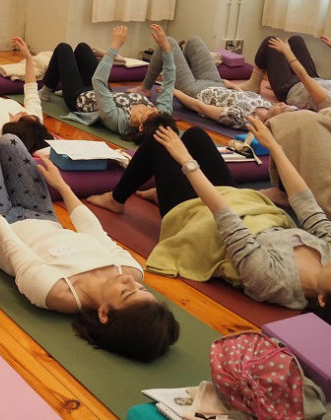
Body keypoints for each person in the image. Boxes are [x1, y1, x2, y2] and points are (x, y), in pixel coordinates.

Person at [0, 133, 179, 362]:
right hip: (42, 215)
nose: (132, 283)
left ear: (104, 312)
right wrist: (62, 186)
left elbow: (13, 247)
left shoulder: (59, 294)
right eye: (142, 290)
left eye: (127, 293)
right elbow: (93, 230)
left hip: (0, 228)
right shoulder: (131, 271)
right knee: (10, 141)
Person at [129, 118, 331, 318]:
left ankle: (117, 199)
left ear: (322, 300)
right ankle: (158, 192)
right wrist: (274, 147)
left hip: (202, 220)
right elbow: (306, 204)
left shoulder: (275, 282)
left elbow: (226, 220)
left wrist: (186, 162)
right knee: (195, 136)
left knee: (159, 138)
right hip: (244, 203)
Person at [39, 25, 175, 140]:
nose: (154, 108)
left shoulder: (116, 120)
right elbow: (168, 83)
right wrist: (166, 49)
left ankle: (46, 91)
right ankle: (64, 87)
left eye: (151, 112)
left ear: (141, 127)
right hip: (101, 91)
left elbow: (98, 80)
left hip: (78, 98)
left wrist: (114, 47)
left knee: (64, 49)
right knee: (83, 48)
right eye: (157, 110)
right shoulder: (161, 118)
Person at [130, 35, 291, 130]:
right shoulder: (268, 105)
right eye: (286, 105)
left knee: (168, 42)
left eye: (284, 110)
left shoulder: (243, 118)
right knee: (194, 41)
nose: (283, 105)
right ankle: (181, 69)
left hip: (195, 92)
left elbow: (202, 108)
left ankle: (145, 88)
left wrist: (177, 91)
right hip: (216, 84)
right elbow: (245, 97)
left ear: (275, 122)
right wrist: (232, 86)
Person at [234, 35, 331, 112]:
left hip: (290, 88)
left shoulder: (328, 101)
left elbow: (303, 77)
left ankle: (254, 83)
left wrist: (286, 51)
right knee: (296, 40)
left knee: (271, 42)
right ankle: (275, 79)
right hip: (315, 80)